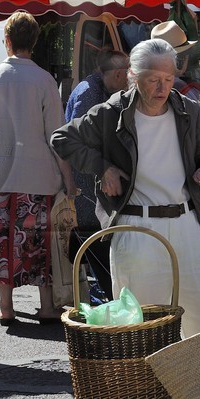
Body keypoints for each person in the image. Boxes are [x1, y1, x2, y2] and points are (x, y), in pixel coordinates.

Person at [51, 39, 200, 334]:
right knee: (142, 327)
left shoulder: (190, 110)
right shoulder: (112, 112)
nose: (162, 88)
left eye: (168, 79)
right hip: (136, 228)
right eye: (153, 80)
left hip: (188, 225)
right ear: (133, 76)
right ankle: (147, 381)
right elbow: (62, 139)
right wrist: (103, 168)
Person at [0, 11, 74, 326]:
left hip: (0, 176)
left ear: (6, 41)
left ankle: (6, 307)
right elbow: (56, 136)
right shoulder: (45, 80)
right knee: (40, 241)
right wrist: (68, 180)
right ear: (34, 41)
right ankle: (46, 305)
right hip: (40, 176)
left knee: (2, 239)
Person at [62, 50, 130, 300]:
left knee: (95, 239)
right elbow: (74, 142)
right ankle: (109, 295)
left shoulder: (98, 89)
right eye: (126, 74)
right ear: (117, 74)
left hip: (93, 179)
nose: (129, 80)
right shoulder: (88, 93)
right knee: (95, 238)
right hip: (87, 181)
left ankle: (103, 292)